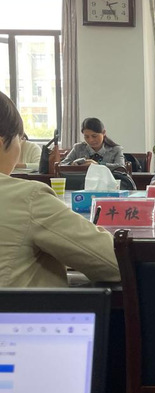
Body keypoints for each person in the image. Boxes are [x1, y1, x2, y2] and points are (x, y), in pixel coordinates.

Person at [0, 92, 120, 287]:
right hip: (23, 309)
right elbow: (114, 262)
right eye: (19, 139)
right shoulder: (27, 197)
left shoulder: (115, 149)